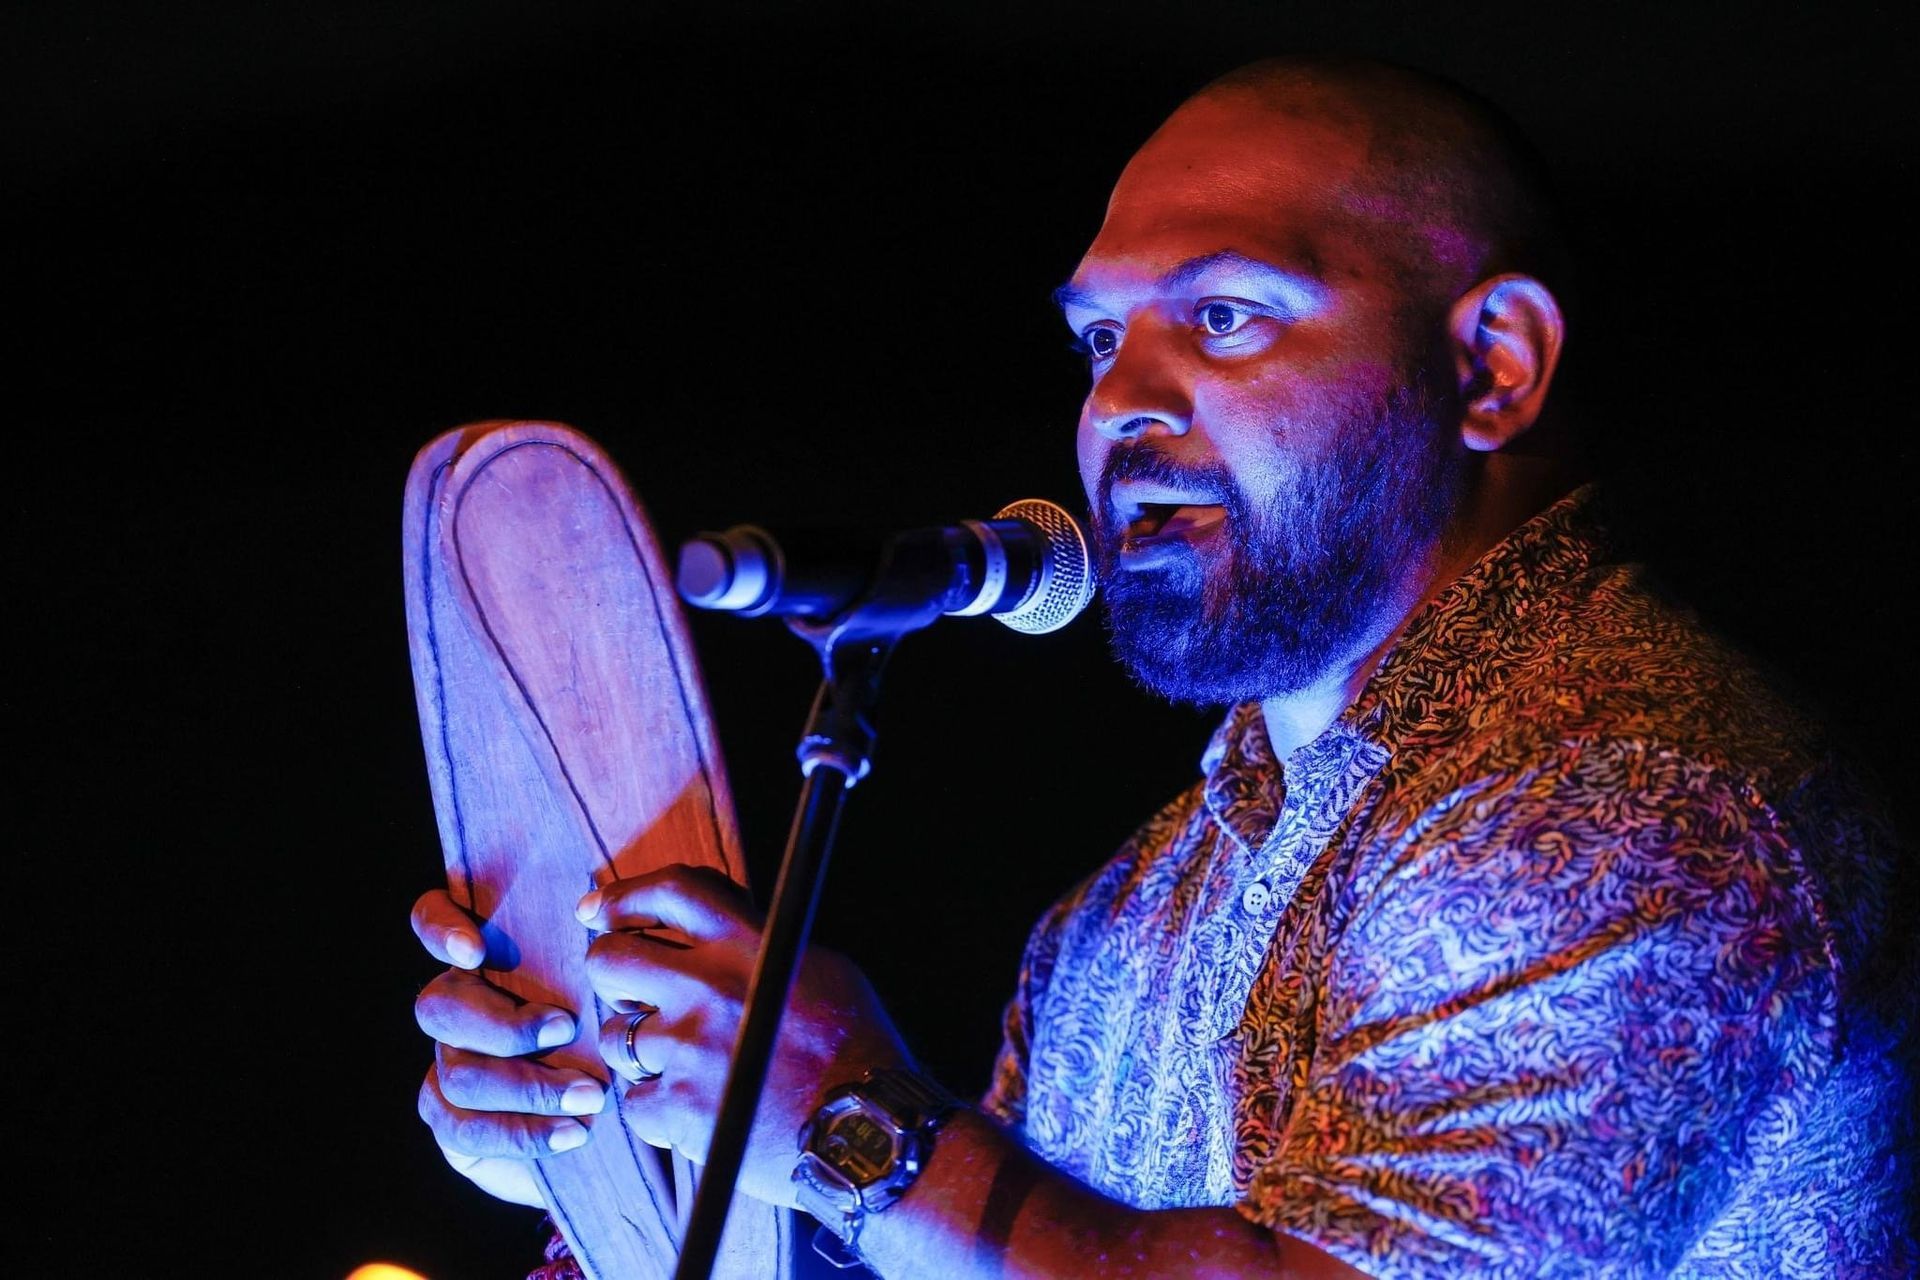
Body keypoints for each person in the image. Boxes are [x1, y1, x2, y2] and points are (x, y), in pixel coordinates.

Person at [409, 56, 1913, 1277]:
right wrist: (630, 1170)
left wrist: (854, 1122)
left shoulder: (1637, 811)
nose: (1121, 400)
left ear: (1492, 366)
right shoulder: (1118, 928)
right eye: (1095, 341)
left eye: (1228, 314)